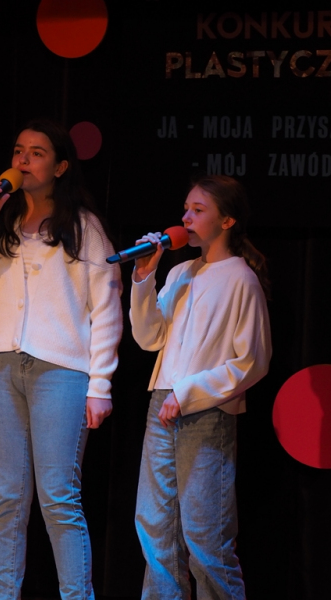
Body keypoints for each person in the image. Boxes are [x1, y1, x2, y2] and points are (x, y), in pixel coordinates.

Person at [0, 118, 123, 600]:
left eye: (36, 152)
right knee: (5, 500)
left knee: (59, 498)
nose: (23, 160)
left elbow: (106, 309)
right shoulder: (1, 223)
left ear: (60, 166)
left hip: (60, 373)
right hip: (0, 368)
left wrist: (100, 385)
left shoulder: (84, 228)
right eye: (18, 151)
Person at [129, 174, 272, 599]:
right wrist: (143, 279)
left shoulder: (240, 279)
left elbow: (252, 361)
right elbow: (149, 338)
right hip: (162, 404)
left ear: (227, 221)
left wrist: (187, 392)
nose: (185, 218)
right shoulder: (180, 272)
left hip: (205, 412)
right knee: (155, 528)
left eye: (198, 210)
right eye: (185, 209)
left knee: (205, 537)